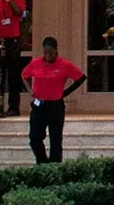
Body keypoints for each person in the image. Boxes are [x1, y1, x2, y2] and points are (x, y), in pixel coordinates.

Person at [21, 35, 85, 163]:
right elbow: (24, 75)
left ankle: (55, 164)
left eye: (50, 52)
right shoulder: (36, 63)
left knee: (55, 139)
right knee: (35, 137)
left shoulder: (64, 64)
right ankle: (42, 162)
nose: (48, 55)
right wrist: (30, 91)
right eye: (45, 52)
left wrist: (65, 93)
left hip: (55, 105)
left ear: (56, 50)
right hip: (39, 104)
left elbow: (81, 77)